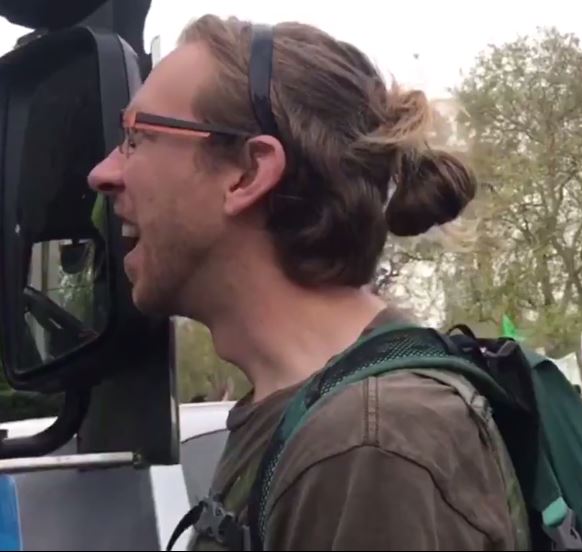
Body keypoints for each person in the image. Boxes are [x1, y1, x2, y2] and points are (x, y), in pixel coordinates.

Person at [87, 15, 525, 550]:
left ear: (248, 173)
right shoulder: (315, 419)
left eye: (138, 136)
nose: (104, 173)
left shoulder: (369, 445)